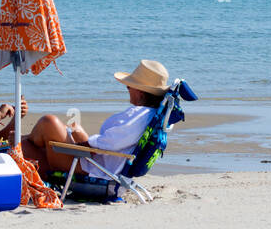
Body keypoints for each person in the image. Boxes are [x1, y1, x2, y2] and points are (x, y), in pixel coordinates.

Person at [20, 59, 170, 182]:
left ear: (140, 91)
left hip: (94, 169)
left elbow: (112, 142)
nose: (128, 89)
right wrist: (82, 138)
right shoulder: (150, 116)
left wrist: (83, 144)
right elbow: (114, 142)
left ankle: (21, 139)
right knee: (37, 141)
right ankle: (23, 140)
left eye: (129, 86)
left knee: (49, 122)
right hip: (103, 164)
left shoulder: (139, 115)